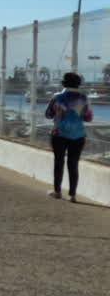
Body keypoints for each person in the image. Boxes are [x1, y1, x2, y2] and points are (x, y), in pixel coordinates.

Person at [45, 72, 93, 202]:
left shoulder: (57, 97)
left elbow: (48, 114)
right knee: (73, 164)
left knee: (59, 162)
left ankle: (57, 191)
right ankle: (72, 195)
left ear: (63, 83)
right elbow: (88, 118)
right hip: (78, 136)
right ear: (78, 84)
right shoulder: (83, 98)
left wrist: (60, 113)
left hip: (59, 134)